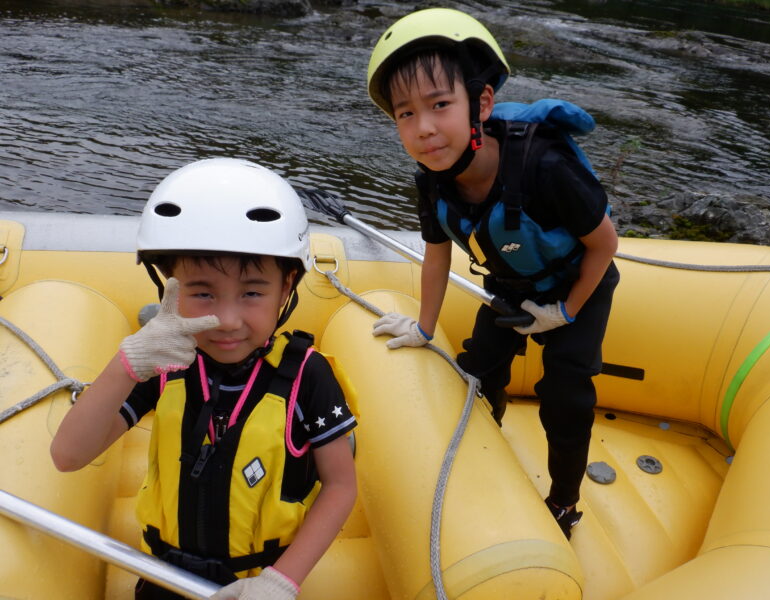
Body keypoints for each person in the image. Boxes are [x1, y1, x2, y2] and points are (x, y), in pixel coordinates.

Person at [50, 158, 358, 599]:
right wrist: (128, 363)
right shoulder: (163, 364)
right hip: (163, 579)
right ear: (169, 285)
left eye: (252, 292)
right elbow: (68, 455)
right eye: (201, 293)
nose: (227, 320)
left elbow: (341, 485)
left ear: (287, 285)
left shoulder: (308, 376)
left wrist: (280, 582)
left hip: (259, 583)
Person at [367, 8, 618, 540]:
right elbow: (437, 253)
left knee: (565, 395)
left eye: (440, 105)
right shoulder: (433, 181)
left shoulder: (544, 166)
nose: (425, 129)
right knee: (479, 372)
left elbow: (605, 244)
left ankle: (565, 502)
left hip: (578, 289)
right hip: (510, 284)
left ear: (481, 103)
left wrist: (566, 312)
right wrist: (423, 327)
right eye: (405, 114)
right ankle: (482, 446)